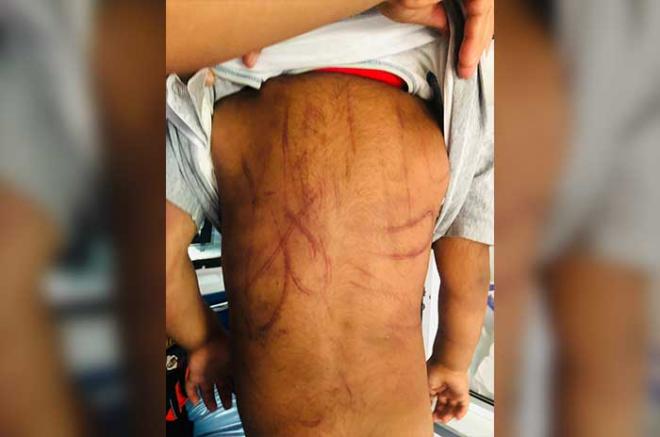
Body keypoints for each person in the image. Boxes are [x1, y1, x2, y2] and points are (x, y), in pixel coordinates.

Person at [165, 1, 493, 434]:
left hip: (388, 44)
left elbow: (468, 278)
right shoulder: (217, 157)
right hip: (251, 43)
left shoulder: (442, 174)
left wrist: (452, 359)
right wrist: (203, 340)